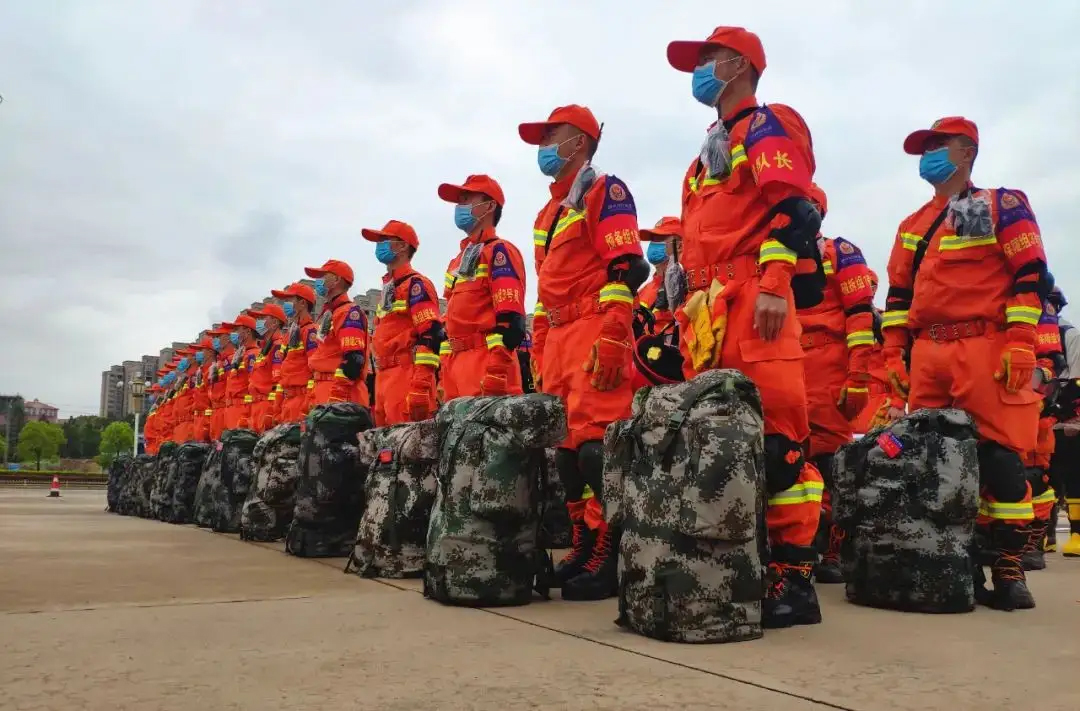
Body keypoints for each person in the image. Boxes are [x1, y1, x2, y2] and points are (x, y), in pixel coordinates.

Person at [666, 26, 825, 627]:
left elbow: (795, 207)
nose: (700, 69)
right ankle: (744, 565)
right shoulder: (703, 155)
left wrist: (776, 283)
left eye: (709, 58)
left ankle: (795, 578)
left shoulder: (765, 124)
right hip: (708, 311)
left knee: (777, 442)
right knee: (718, 439)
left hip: (754, 300)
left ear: (740, 64)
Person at [882, 116, 1049, 610]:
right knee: (931, 458)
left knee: (999, 457)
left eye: (940, 145)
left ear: (968, 152)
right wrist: (892, 354)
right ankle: (957, 562)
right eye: (925, 147)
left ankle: (1009, 566)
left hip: (984, 347)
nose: (929, 154)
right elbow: (898, 297)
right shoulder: (911, 226)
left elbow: (1031, 274)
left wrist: (1021, 341)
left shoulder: (1002, 205)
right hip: (928, 353)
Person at [519, 104, 648, 600]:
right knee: (568, 453)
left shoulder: (604, 192)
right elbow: (546, 290)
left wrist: (614, 334)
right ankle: (584, 544)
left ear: (580, 142)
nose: (543, 145)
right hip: (559, 339)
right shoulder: (549, 214)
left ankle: (612, 552)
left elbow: (627, 267)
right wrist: (541, 348)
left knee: (599, 447)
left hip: (594, 327)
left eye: (552, 135)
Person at [796, 184, 875, 584]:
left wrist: (858, 375)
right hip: (786, 362)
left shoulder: (840, 253)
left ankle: (830, 548)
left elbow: (860, 317)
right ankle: (795, 545)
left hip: (827, 364)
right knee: (787, 458)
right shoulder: (771, 254)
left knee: (829, 461)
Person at [436, 174, 528, 400]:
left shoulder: (499, 251)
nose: (460, 206)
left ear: (489, 206)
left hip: (486, 364)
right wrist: (444, 374)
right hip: (455, 369)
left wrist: (497, 371)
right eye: (460, 201)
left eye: (467, 199)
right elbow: (449, 323)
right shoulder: (457, 262)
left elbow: (510, 321)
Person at [361, 219, 445, 425]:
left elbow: (431, 334)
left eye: (384, 239)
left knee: (406, 442)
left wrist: (420, 385)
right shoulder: (389, 290)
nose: (379, 245)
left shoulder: (416, 285)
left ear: (402, 246)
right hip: (383, 378)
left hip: (406, 377)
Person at [303, 259, 370, 407]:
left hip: (339, 392)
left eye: (323, 276)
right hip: (323, 389)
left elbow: (353, 360)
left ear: (336, 280)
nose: (318, 281)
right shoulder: (330, 313)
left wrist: (338, 396)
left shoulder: (347, 312)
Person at [271, 282, 318, 424]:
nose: (286, 305)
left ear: (302, 303)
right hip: (287, 403)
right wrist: (277, 408)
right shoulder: (289, 335)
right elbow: (283, 374)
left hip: (302, 401)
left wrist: (307, 406)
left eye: (290, 300)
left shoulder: (311, 331)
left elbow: (314, 371)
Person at [634, 216, 681, 341]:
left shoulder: (687, 286)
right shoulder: (643, 290)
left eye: (660, 239)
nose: (653, 244)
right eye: (652, 239)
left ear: (679, 245)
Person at [249, 303, 288, 434]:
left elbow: (277, 382)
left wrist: (273, 412)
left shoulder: (277, 346)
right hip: (257, 408)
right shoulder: (265, 348)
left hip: (267, 407)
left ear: (275, 323)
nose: (259, 323)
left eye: (263, 318)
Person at [224, 314, 259, 431]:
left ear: (247, 331)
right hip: (231, 410)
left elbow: (253, 385)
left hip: (242, 410)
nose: (235, 334)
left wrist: (247, 413)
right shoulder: (240, 355)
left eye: (237, 330)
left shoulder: (253, 354)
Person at [208, 323, 235, 441]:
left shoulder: (233, 358)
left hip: (225, 408)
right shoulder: (219, 363)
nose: (216, 340)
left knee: (224, 443)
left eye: (219, 336)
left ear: (228, 338)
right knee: (216, 445)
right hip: (216, 411)